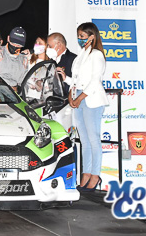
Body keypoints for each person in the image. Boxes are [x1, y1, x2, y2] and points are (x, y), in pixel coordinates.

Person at [57, 22, 108, 192]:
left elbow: (95, 81)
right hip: (78, 96)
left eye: (82, 36)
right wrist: (65, 79)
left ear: (92, 37)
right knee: (84, 140)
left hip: (91, 99)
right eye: (78, 36)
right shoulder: (81, 55)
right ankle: (86, 174)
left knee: (94, 139)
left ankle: (95, 175)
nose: (80, 39)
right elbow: (77, 81)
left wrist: (79, 98)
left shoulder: (97, 55)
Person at [46, 32, 77, 98]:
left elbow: (81, 83)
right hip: (52, 100)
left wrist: (66, 78)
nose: (47, 49)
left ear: (59, 45)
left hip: (67, 100)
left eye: (50, 46)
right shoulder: (50, 62)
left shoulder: (74, 59)